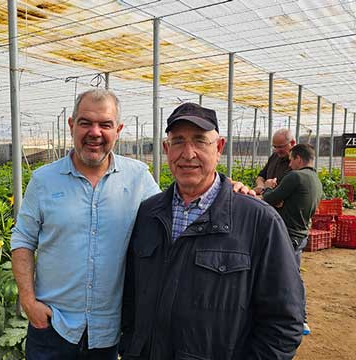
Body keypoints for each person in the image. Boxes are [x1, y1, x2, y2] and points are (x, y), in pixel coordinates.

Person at [121, 103, 304, 359]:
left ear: (219, 148)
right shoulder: (147, 214)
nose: (188, 153)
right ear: (166, 149)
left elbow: (284, 323)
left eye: (199, 141)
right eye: (178, 142)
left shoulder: (259, 221)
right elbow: (130, 296)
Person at [11, 89, 161, 360]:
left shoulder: (138, 177)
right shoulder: (44, 180)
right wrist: (28, 301)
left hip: (108, 332)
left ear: (118, 130)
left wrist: (226, 190)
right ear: (71, 125)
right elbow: (23, 240)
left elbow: (172, 215)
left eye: (105, 124)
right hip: (51, 325)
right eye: (85, 122)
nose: (95, 132)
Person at [262, 143, 323, 336]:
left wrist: (267, 188)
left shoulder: (295, 177)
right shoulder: (315, 179)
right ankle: (297, 317)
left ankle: (299, 318)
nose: (289, 164)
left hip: (288, 234)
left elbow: (271, 199)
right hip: (301, 233)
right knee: (291, 274)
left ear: (298, 158)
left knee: (289, 277)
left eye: (290, 160)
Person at [254, 128, 296, 194]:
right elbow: (261, 176)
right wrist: (260, 185)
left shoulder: (297, 162)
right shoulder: (275, 156)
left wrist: (268, 188)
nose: (277, 150)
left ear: (292, 143)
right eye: (275, 147)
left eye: (280, 147)